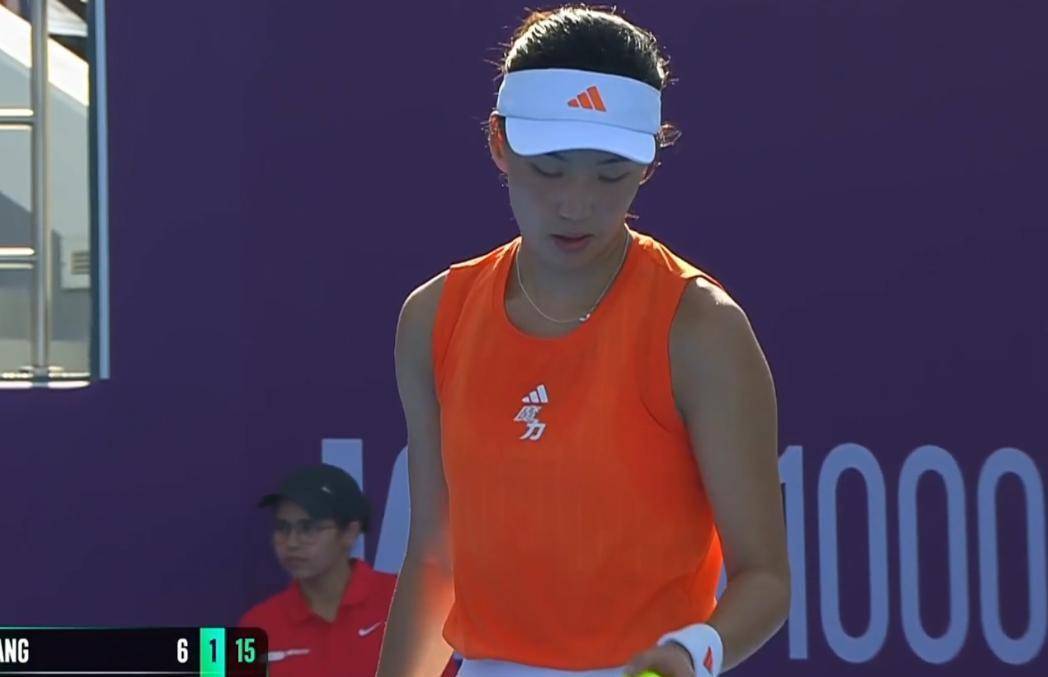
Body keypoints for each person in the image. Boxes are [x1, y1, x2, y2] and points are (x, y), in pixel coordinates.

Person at [378, 5, 790, 677]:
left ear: (648, 163)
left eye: (610, 172)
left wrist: (692, 653)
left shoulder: (702, 329)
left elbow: (765, 576)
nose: (577, 203)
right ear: (499, 143)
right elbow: (435, 559)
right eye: (550, 169)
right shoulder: (433, 318)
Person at [240, 464, 459, 677]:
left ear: (349, 532)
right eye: (283, 528)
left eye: (308, 528)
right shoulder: (253, 624)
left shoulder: (405, 603)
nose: (292, 542)